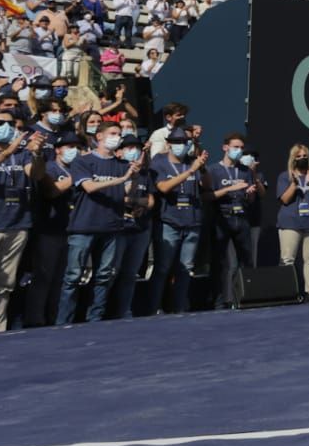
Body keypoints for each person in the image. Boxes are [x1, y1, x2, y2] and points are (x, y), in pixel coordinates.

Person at [59, 120, 138, 324]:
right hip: (84, 226)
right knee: (73, 277)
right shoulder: (82, 161)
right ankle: (63, 322)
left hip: (111, 227)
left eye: (119, 134)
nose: (117, 137)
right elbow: (90, 187)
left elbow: (126, 191)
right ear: (99, 136)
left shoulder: (122, 165)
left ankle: (95, 319)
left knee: (104, 276)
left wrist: (133, 177)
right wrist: (121, 180)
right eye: (113, 133)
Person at [0, 111, 44, 331]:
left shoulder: (20, 155)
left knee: (3, 286)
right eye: (0, 123)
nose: (7, 127)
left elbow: (37, 175)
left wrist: (38, 155)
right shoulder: (9, 151)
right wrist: (7, 152)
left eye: (11, 123)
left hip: (15, 226)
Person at [21, 132, 80, 328]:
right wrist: (79, 176)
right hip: (49, 229)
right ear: (58, 150)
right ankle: (35, 320)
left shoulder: (79, 168)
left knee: (62, 279)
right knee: (43, 277)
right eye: (69, 146)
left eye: (77, 147)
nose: (74, 150)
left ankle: (56, 318)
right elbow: (52, 191)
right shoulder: (49, 168)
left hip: (72, 228)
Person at [150, 127, 208, 314]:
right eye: (176, 143)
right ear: (168, 144)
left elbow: (206, 186)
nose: (180, 146)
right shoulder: (159, 162)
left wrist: (202, 168)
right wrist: (190, 171)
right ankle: (154, 308)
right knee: (162, 269)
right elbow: (164, 188)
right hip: (169, 222)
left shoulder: (193, 162)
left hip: (192, 222)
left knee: (186, 269)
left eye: (184, 142)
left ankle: (179, 308)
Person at [207, 133, 264, 309]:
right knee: (227, 263)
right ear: (225, 148)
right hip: (223, 219)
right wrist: (230, 188)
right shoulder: (213, 170)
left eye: (241, 148)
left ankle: (244, 299)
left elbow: (251, 201)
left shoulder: (245, 171)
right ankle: (223, 301)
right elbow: (208, 196)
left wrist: (250, 194)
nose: (238, 151)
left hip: (242, 219)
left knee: (246, 261)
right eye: (235, 147)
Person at [107, 132, 157, 318]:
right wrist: (133, 201)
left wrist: (140, 205)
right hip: (118, 228)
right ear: (119, 152)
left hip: (140, 228)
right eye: (129, 148)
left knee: (130, 274)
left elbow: (151, 200)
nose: (133, 151)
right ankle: (103, 312)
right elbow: (116, 197)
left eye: (136, 148)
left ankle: (124, 311)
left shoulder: (146, 174)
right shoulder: (114, 170)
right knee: (111, 272)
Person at [276, 143, 309, 302]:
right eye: (298, 156)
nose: (302, 159)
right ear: (293, 159)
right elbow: (284, 199)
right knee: (287, 259)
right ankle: (286, 293)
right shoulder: (285, 176)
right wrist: (294, 183)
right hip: (290, 223)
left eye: (305, 156)